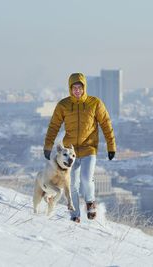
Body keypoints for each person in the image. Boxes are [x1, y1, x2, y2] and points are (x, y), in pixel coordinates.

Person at [43, 73, 116, 223]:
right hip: (70, 151)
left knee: (86, 179)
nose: (77, 90)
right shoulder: (63, 105)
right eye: (74, 88)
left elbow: (106, 124)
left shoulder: (94, 103)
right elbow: (54, 126)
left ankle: (90, 202)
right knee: (72, 184)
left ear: (84, 88)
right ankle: (75, 214)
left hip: (89, 148)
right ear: (70, 89)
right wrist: (48, 145)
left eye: (80, 87)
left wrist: (111, 146)